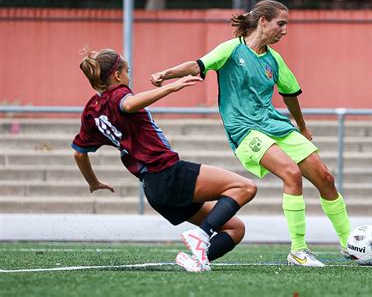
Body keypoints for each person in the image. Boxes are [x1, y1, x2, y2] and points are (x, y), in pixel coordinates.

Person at [150, 0, 352, 267]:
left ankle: (350, 244)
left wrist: (301, 127)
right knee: (291, 173)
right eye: (281, 24)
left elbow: (290, 93)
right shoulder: (232, 49)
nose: (285, 30)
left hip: (276, 125)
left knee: (325, 178)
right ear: (263, 21)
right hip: (244, 130)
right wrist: (166, 73)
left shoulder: (274, 59)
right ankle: (298, 251)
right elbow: (198, 65)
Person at [73, 48, 257, 272]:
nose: (129, 76)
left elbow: (79, 153)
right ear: (118, 76)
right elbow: (128, 104)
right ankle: (201, 235)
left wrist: (93, 182)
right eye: (127, 71)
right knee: (245, 187)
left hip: (154, 191)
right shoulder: (119, 94)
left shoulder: (91, 110)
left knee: (235, 229)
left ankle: (197, 259)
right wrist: (173, 86)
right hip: (167, 173)